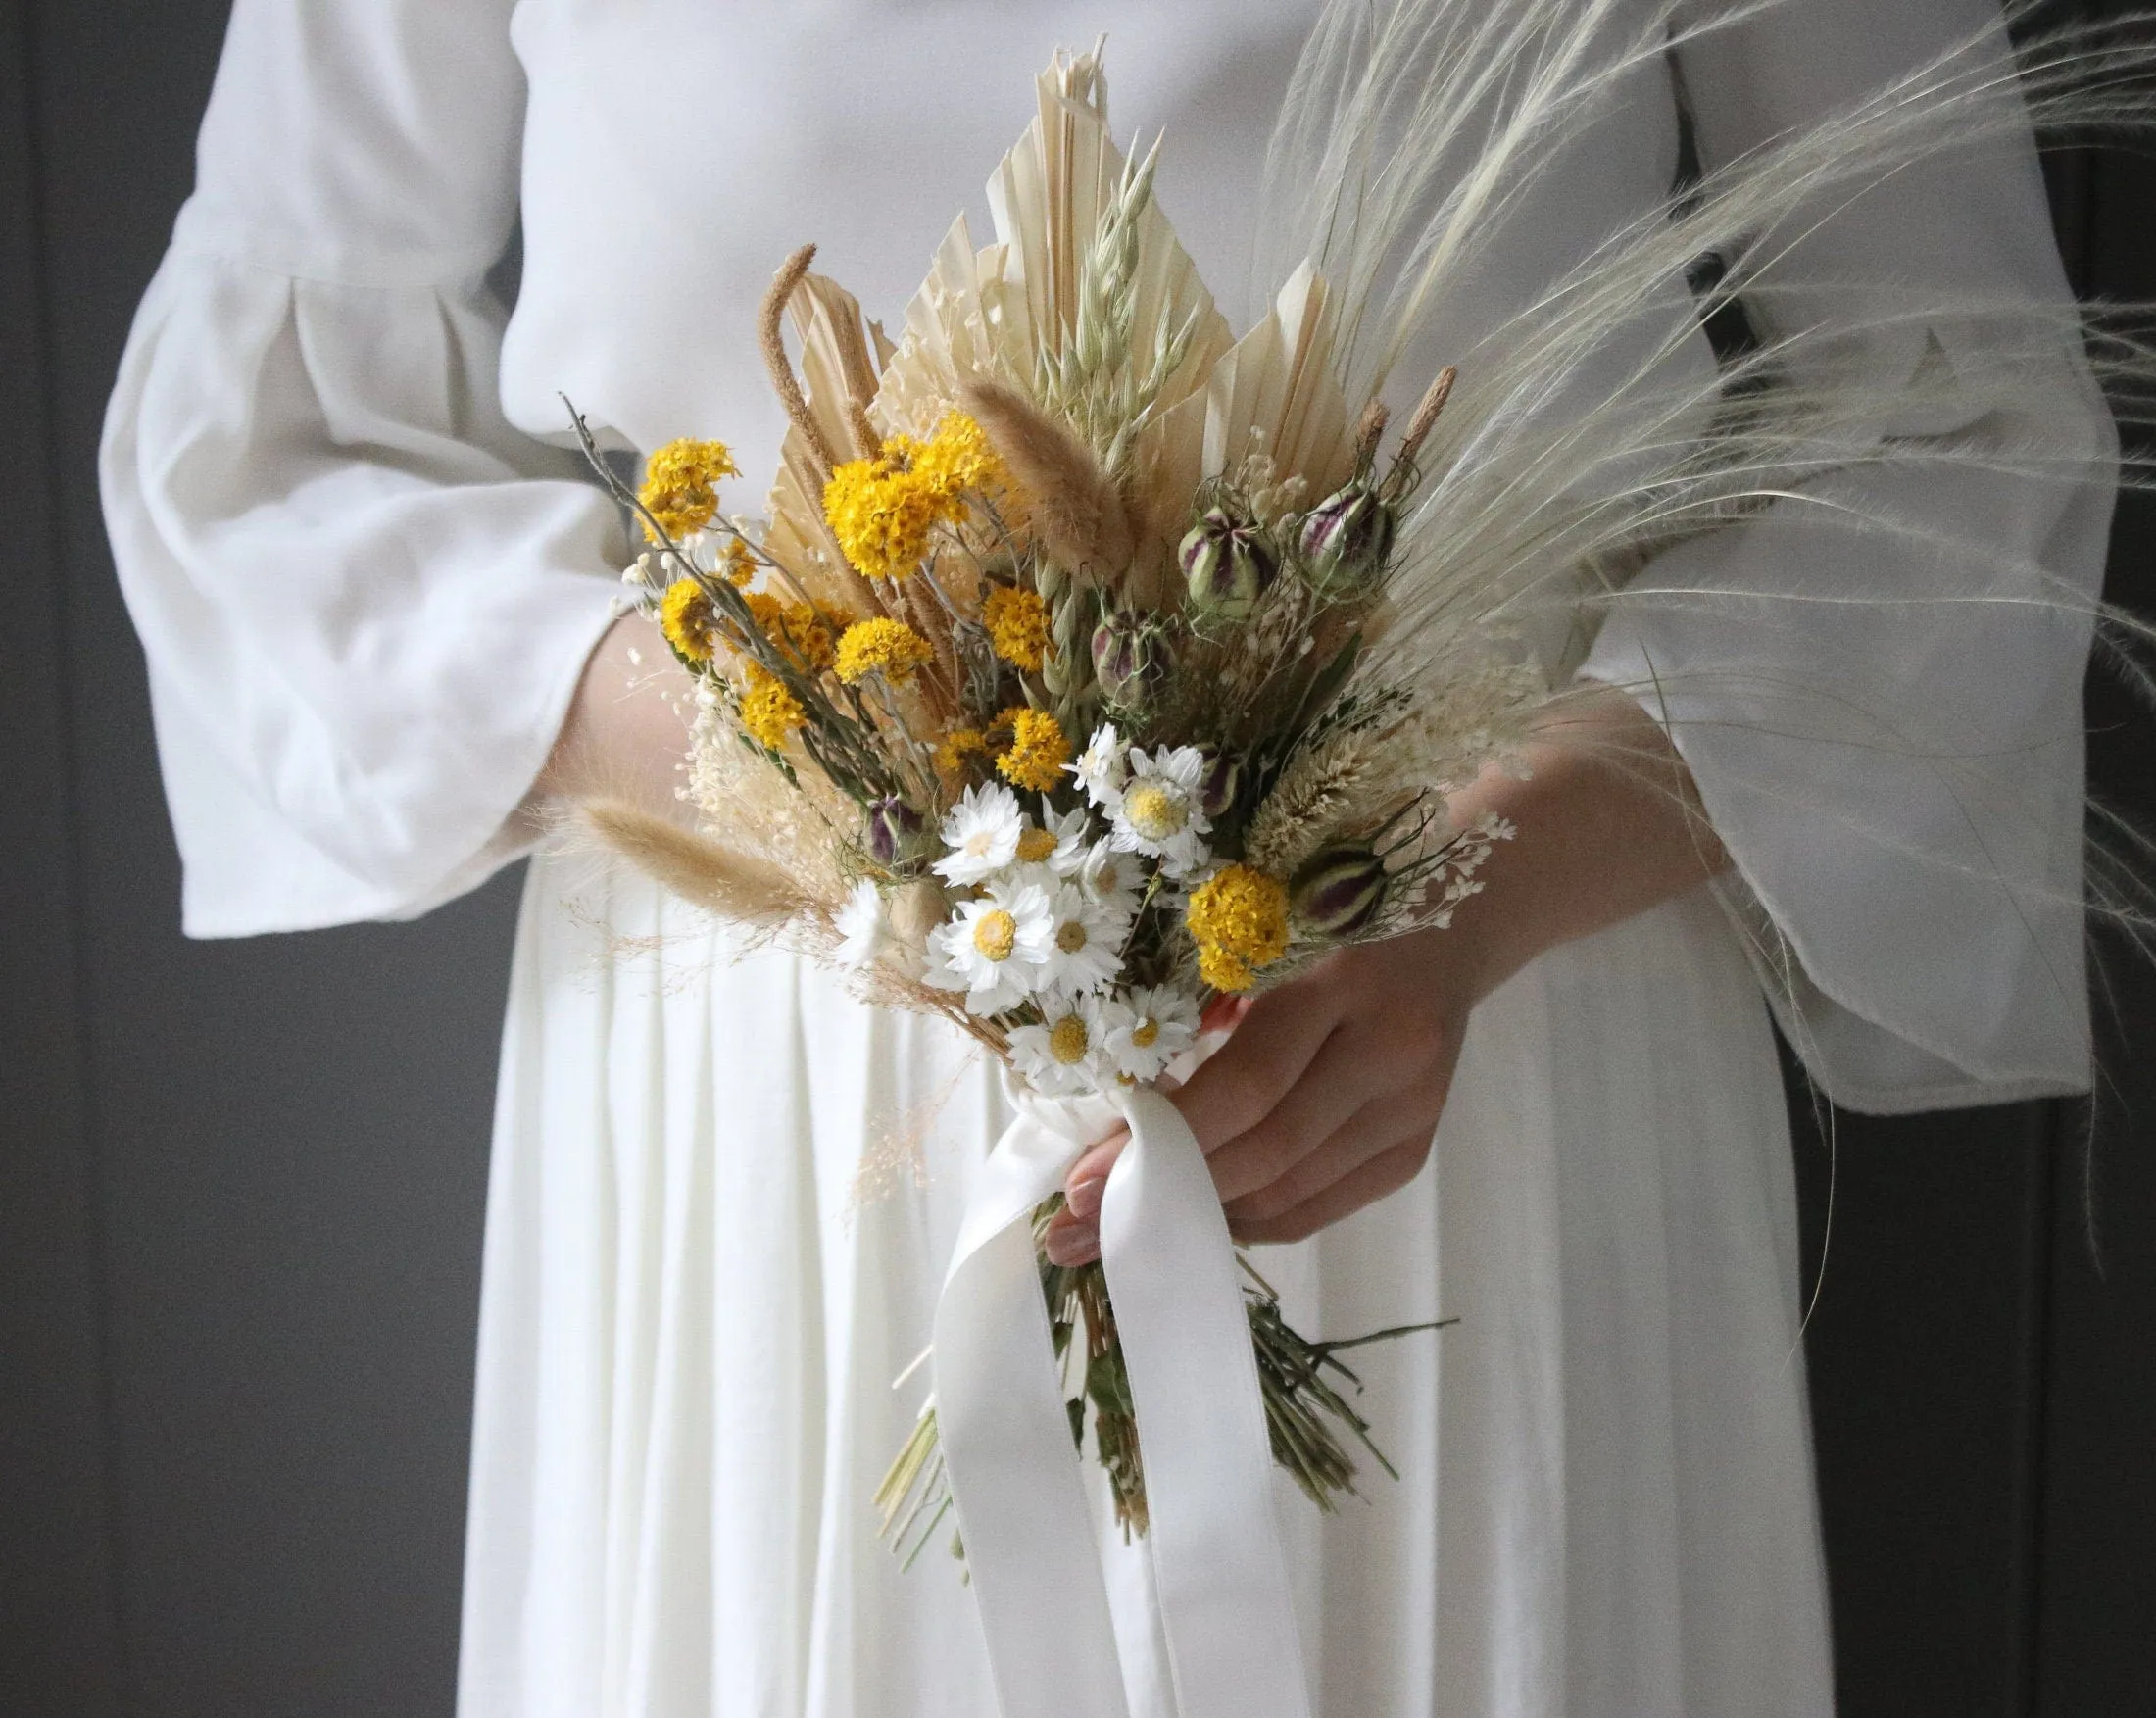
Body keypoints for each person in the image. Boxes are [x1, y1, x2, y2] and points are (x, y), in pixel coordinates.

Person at [100, 1, 2109, 1713]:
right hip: (777, 1104)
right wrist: (820, 758)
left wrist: (1477, 889)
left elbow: (1953, 415)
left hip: (1452, 1038)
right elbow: (261, 451)